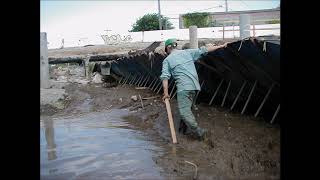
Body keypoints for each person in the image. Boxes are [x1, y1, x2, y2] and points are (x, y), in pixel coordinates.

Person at [160, 38, 227, 141]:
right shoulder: (187, 52)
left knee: (184, 112)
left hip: (184, 88)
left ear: (168, 48)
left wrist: (166, 94)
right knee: (188, 108)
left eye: (166, 50)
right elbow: (204, 50)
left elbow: (165, 77)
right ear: (175, 46)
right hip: (195, 87)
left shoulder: (167, 60)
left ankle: (199, 132)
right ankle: (182, 129)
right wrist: (221, 46)